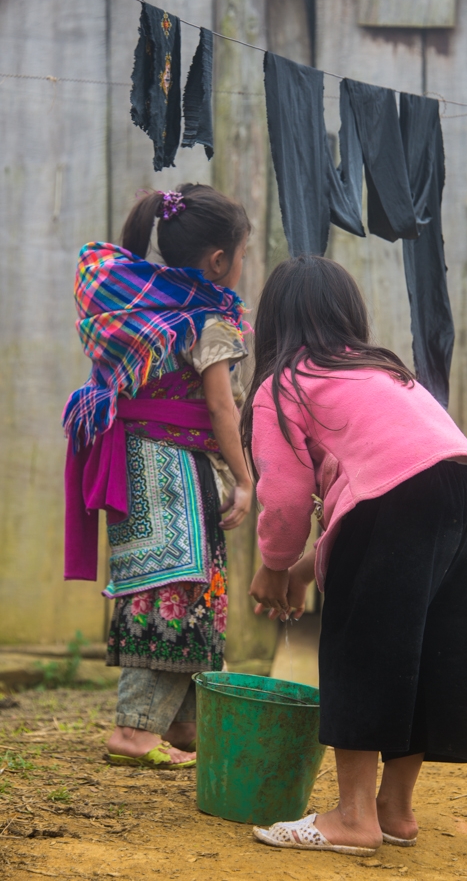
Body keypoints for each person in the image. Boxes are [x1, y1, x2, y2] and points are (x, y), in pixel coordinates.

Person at [244, 256, 467, 857]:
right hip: (465, 491)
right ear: (349, 316)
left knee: (360, 650)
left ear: (271, 323)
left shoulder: (283, 385)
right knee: (422, 648)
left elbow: (283, 499)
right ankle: (395, 810)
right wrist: (306, 573)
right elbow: (370, 487)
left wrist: (274, 565)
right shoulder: (385, 373)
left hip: (399, 501)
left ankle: (352, 817)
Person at [63, 184, 253, 768]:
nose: (242, 267)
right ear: (218, 261)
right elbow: (222, 407)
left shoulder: (142, 307)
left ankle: (183, 726)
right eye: (241, 254)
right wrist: (246, 480)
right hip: (175, 469)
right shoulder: (208, 317)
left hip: (135, 463)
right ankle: (135, 732)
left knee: (165, 583)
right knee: (176, 589)